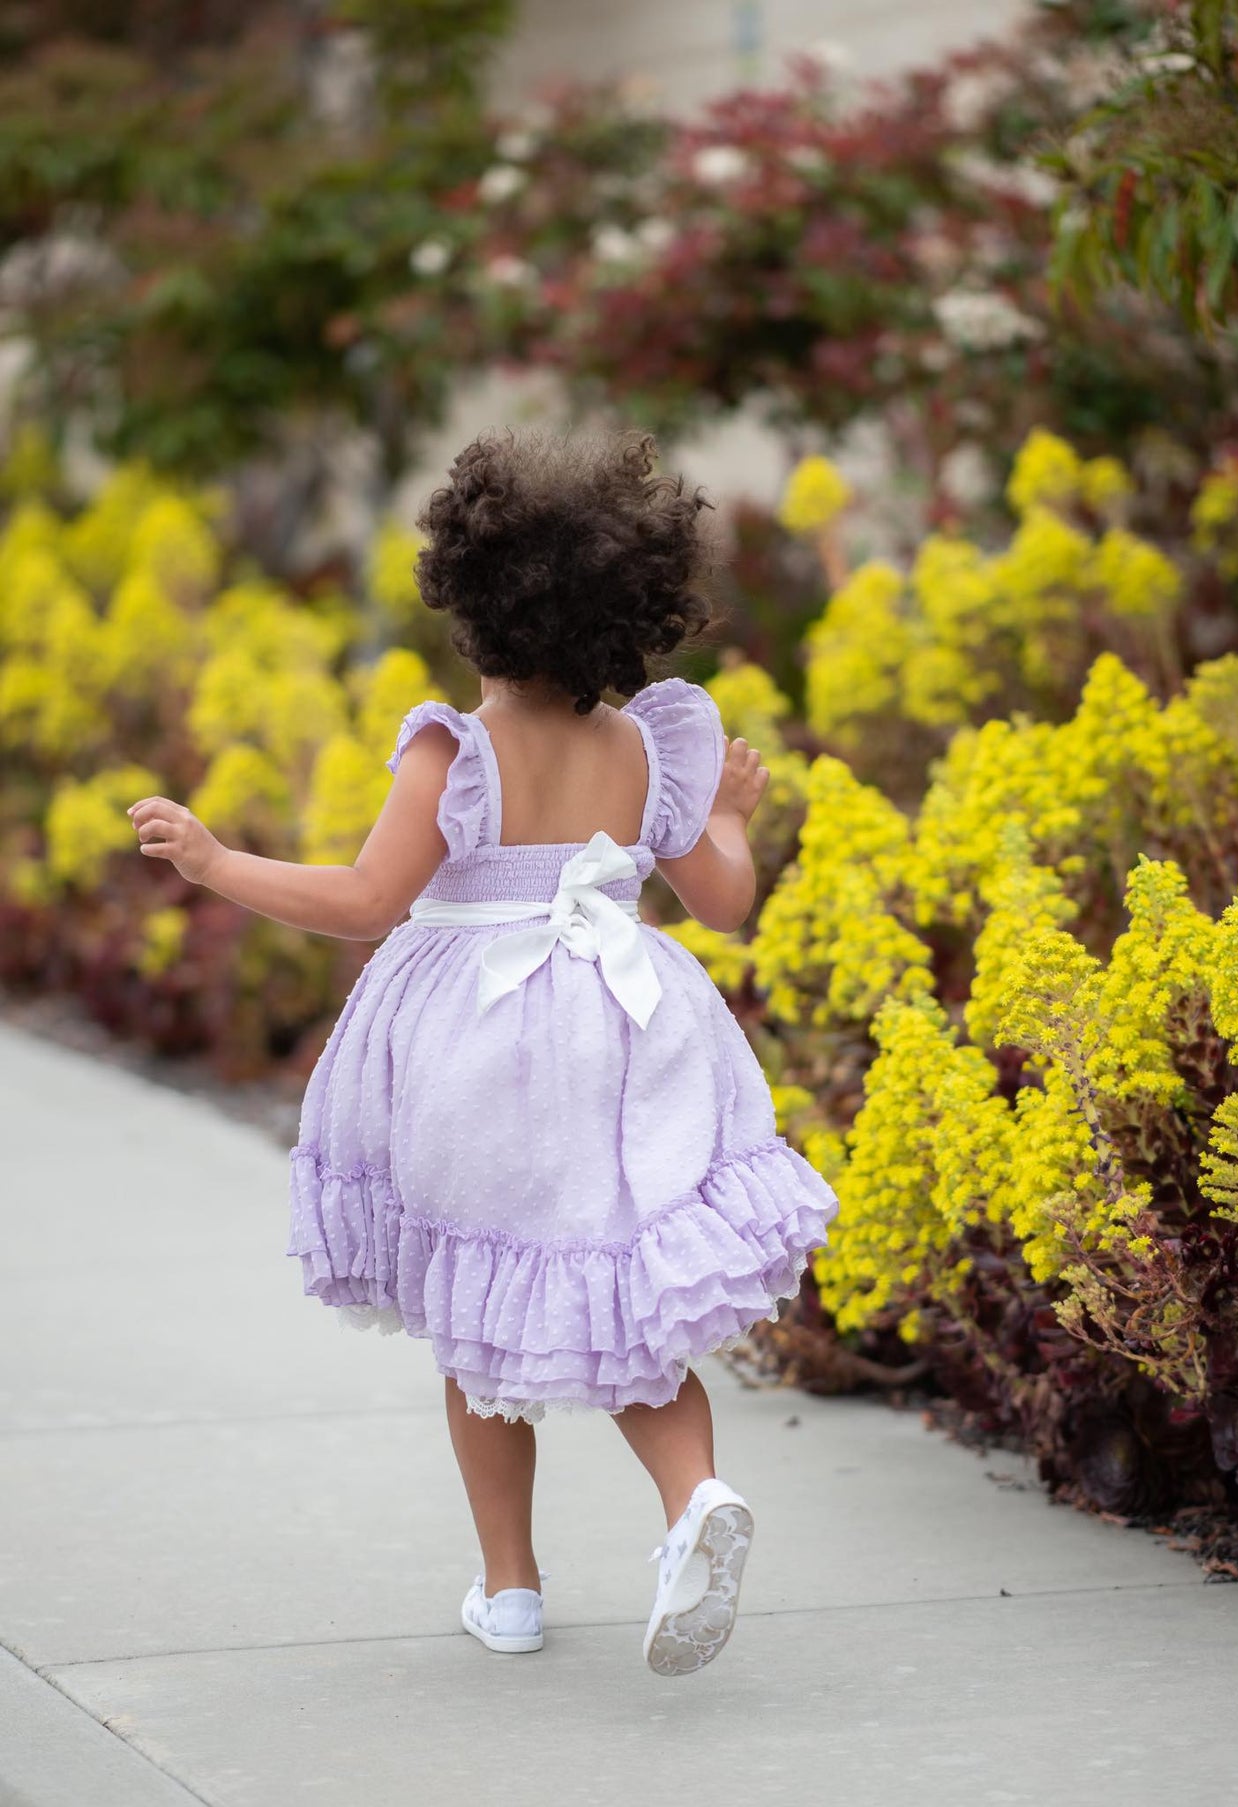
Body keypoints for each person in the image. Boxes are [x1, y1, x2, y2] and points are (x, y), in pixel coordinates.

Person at [127, 428, 839, 1678]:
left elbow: (362, 901)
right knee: (629, 1301)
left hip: (483, 1052)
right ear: (631, 616)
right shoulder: (642, 748)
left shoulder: (450, 750)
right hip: (625, 1032)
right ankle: (694, 1499)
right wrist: (726, 814)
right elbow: (721, 903)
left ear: (469, 600)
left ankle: (510, 1585)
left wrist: (214, 860)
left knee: (480, 1312)